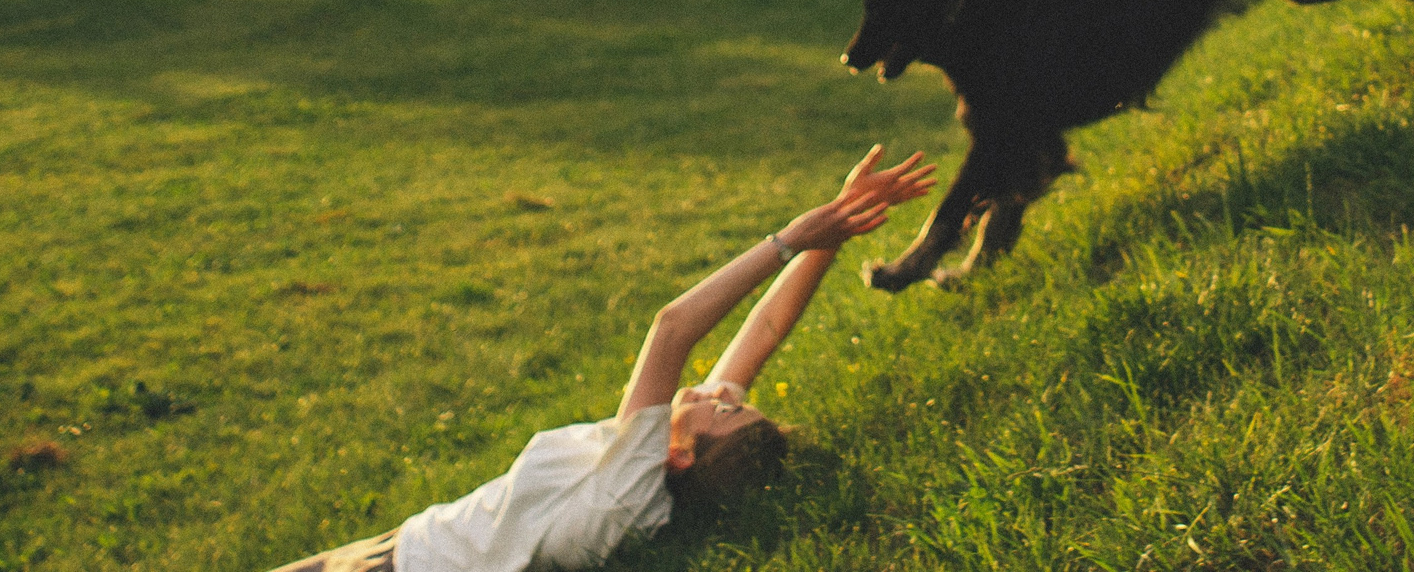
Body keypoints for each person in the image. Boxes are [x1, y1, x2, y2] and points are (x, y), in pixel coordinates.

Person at [270, 145, 935, 572]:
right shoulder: (658, 483)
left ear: (679, 454)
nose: (717, 390)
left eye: (721, 408)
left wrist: (788, 239)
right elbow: (764, 329)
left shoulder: (627, 482)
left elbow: (672, 329)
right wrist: (843, 219)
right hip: (405, 552)